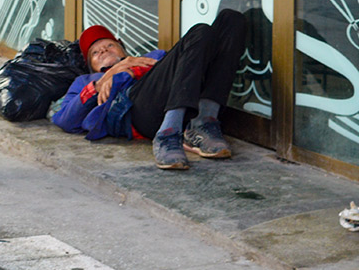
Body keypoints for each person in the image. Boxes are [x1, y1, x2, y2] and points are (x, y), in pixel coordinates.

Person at [52, 10, 247, 170]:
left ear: (122, 48)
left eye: (109, 45)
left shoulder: (152, 56)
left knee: (231, 19)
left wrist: (130, 68)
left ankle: (205, 122)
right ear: (90, 65)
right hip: (138, 113)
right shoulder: (86, 81)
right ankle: (168, 134)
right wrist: (103, 81)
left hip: (180, 103)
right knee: (200, 31)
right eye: (95, 52)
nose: (103, 51)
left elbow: (180, 73)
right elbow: (65, 120)